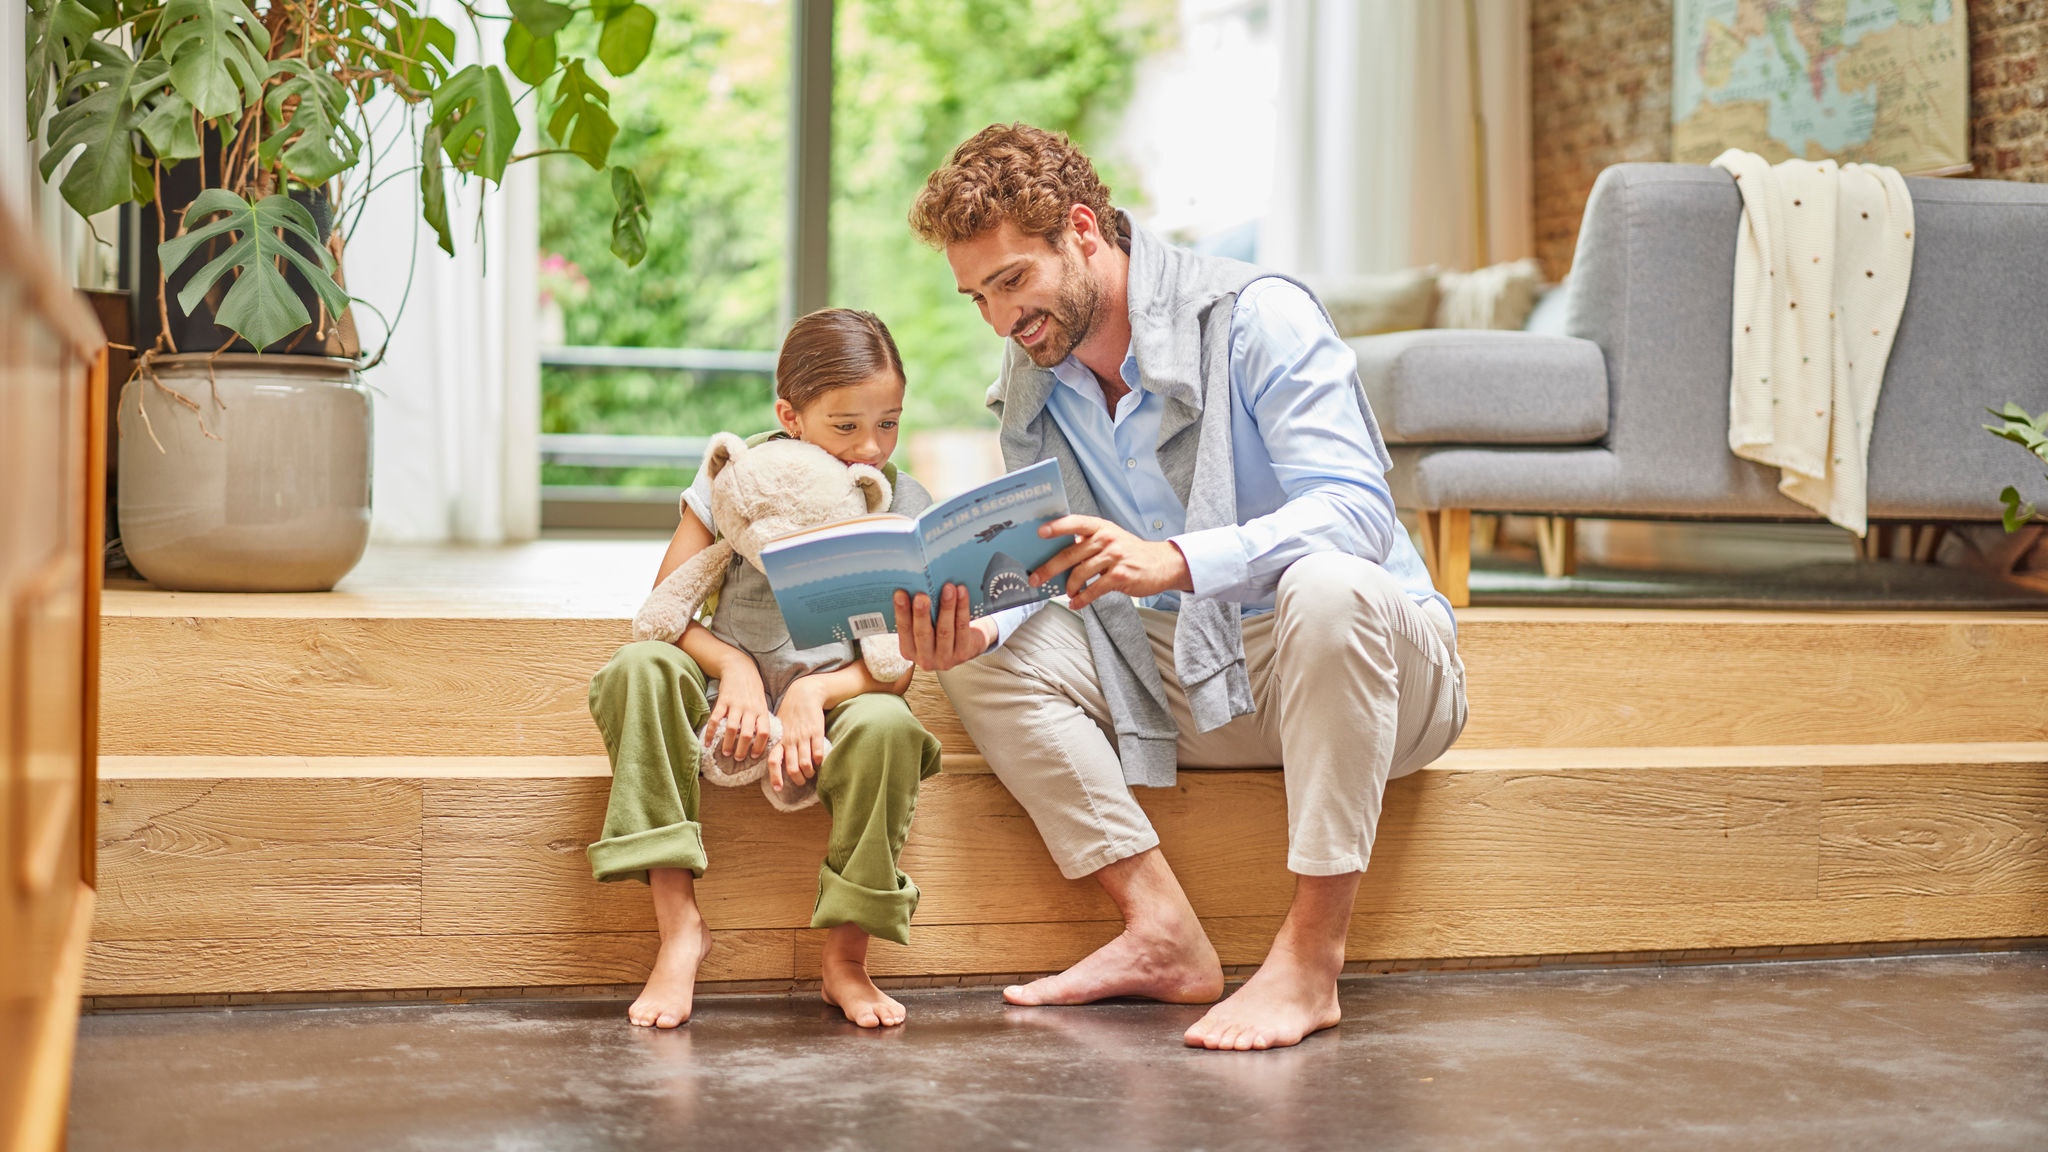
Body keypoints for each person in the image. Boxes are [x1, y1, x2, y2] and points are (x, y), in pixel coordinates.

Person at [893, 124, 1468, 1051]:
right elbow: (1058, 568)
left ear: (1082, 231)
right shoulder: (1039, 367)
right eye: (977, 297)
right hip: (1185, 673)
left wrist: (1185, 559)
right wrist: (978, 627)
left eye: (1011, 283)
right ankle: (1161, 930)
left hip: (1364, 667)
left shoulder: (1256, 315)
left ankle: (1312, 960)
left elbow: (1359, 512)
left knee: (1328, 585)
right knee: (981, 656)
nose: (1001, 321)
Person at [587, 309, 942, 1030]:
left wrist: (817, 690)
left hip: (836, 698)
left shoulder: (897, 500)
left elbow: (898, 667)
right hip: (727, 684)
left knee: (891, 727)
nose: (869, 448)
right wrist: (737, 670)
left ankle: (846, 958)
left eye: (890, 424)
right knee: (637, 668)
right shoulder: (738, 475)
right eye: (846, 427)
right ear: (790, 415)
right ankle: (679, 926)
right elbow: (667, 606)